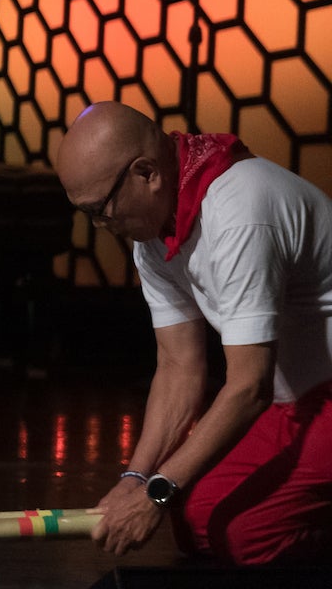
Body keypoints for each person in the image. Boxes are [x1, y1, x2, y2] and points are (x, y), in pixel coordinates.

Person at [60, 102, 332, 566]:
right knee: (195, 520)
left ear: (147, 173)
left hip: (315, 397)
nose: (101, 226)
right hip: (295, 401)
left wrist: (157, 492)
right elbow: (178, 368)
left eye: (100, 210)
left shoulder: (240, 211)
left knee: (245, 535)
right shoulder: (155, 235)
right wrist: (136, 480)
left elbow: (249, 386)